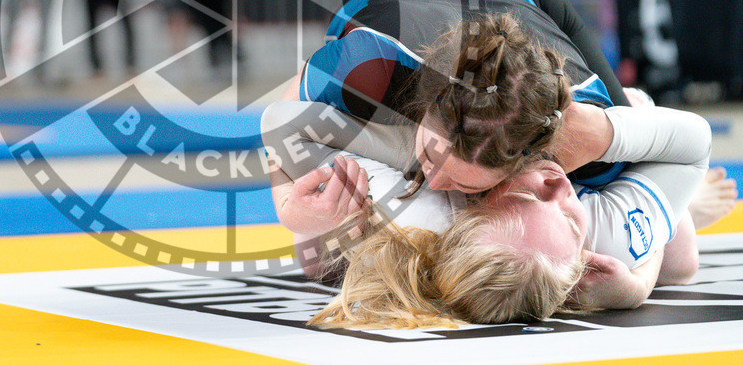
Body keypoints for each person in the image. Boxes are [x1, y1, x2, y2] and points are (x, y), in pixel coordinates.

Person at [263, 95, 727, 327]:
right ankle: (676, 208)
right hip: (596, 179)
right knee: (679, 256)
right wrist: (635, 286)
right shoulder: (593, 238)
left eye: (527, 195)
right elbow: (691, 141)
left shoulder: (421, 206)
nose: (559, 185)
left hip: (434, 159)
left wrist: (288, 208)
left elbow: (280, 122)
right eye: (571, 219)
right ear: (580, 266)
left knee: (317, 257)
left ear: (469, 199)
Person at [279, 0, 636, 198]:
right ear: (424, 106)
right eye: (431, 158)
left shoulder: (579, 126)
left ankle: (639, 102)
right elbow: (282, 114)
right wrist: (287, 206)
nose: (434, 183)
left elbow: (669, 236)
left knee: (623, 181)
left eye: (463, 182)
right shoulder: (366, 68)